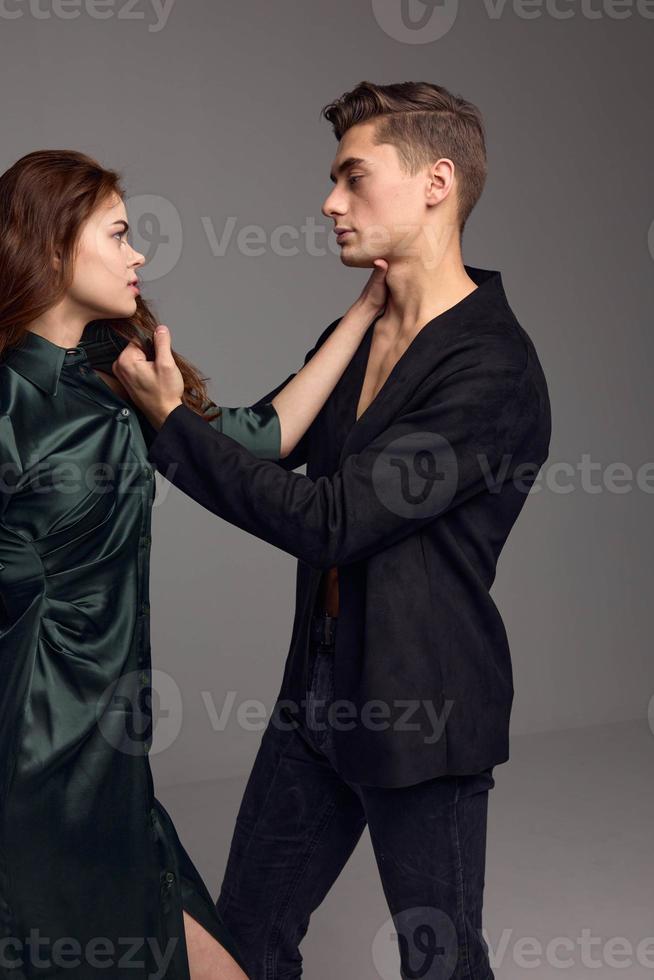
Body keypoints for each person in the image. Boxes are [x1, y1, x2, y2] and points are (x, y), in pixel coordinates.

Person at [103, 81, 552, 980]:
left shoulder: (492, 367)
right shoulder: (360, 333)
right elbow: (264, 450)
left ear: (437, 181)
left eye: (353, 177)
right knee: (245, 946)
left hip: (422, 709)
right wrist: (158, 404)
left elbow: (332, 521)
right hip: (317, 690)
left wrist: (171, 429)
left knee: (442, 965)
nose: (328, 202)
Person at [0, 149, 387, 980]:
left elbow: (261, 441)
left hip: (112, 774)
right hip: (28, 779)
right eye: (119, 233)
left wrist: (362, 316)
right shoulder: (5, 402)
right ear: (54, 243)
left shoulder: (122, 380)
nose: (139, 254)